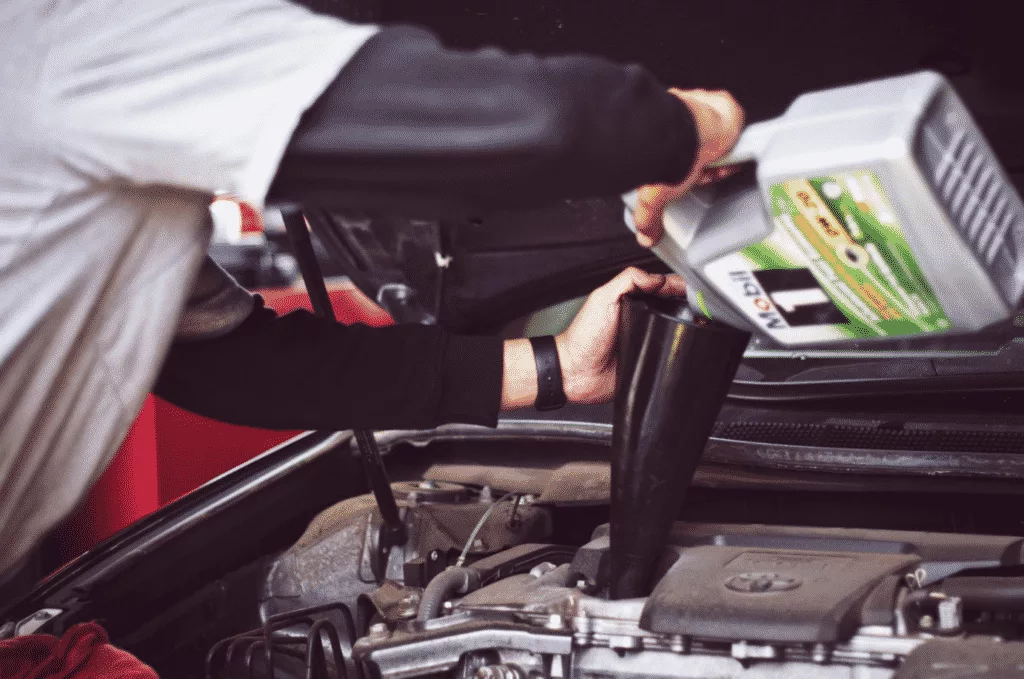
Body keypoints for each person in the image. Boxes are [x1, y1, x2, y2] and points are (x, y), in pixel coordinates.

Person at [0, 0, 743, 581]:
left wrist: (556, 367)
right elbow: (523, 121)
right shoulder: (73, 32)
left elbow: (225, 362)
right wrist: (697, 124)